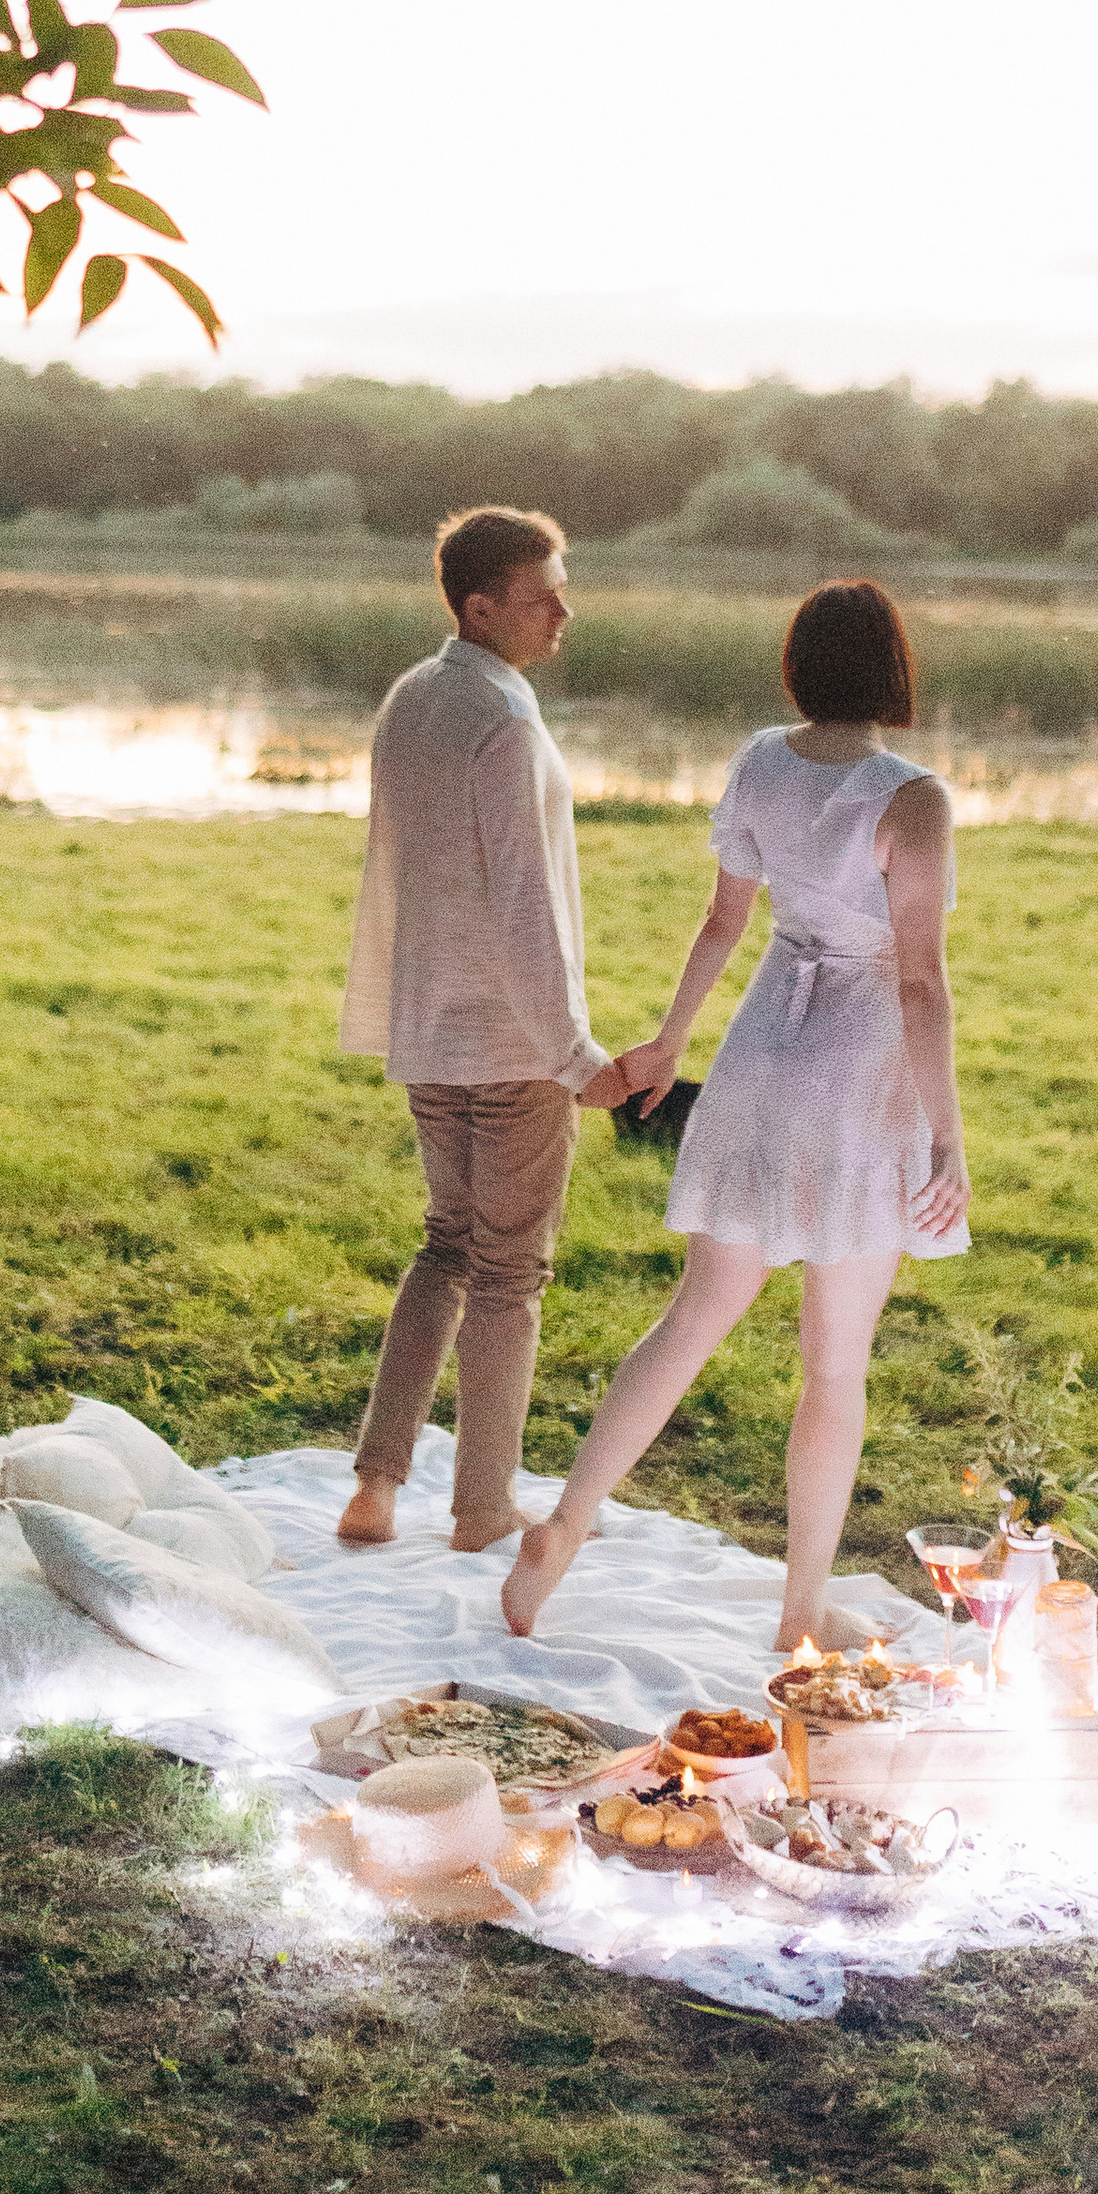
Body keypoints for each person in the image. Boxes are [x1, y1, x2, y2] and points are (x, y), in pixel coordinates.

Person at [502, 578, 968, 1648]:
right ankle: (799, 1611)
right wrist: (945, 1139)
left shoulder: (762, 759)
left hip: (762, 1046)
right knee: (832, 1366)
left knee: (690, 1317)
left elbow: (723, 918)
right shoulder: (913, 797)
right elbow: (919, 982)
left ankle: (564, 1526)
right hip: (855, 1070)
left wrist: (671, 1038)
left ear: (800, 667)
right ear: (892, 667)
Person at [335, 504, 628, 1554]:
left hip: (430, 1031)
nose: (562, 610)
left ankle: (375, 1485)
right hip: (511, 1048)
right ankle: (480, 1509)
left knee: (445, 1247)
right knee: (508, 1274)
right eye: (542, 592)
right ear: (479, 605)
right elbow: (524, 908)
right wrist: (577, 1059)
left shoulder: (413, 697)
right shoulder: (502, 723)